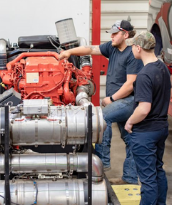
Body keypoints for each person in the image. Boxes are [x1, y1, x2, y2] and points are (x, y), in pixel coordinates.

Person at [58, 20, 142, 185]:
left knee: (101, 119)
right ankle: (130, 178)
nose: (111, 36)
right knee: (131, 140)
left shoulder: (132, 54)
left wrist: (111, 99)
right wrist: (69, 52)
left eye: (115, 33)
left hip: (128, 101)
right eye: (110, 33)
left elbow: (130, 84)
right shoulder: (112, 48)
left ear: (125, 35)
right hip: (119, 101)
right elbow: (90, 49)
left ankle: (102, 162)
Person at [123, 31, 172, 205]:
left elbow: (143, 109)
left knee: (148, 178)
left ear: (138, 48)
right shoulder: (163, 68)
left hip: (146, 132)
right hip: (161, 128)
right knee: (158, 170)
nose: (132, 48)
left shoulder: (144, 75)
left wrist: (129, 121)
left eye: (133, 46)